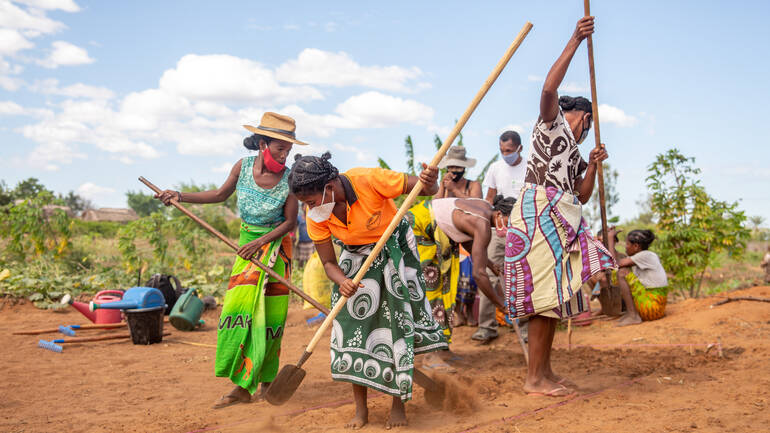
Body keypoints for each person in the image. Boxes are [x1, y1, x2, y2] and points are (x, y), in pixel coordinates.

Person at [155, 112, 303, 408]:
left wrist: (261, 242)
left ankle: (266, 382)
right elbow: (220, 194)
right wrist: (180, 196)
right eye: (279, 149)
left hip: (276, 250)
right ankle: (241, 386)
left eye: (288, 150)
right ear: (262, 143)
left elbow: (290, 222)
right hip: (246, 248)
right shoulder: (243, 166)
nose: (285, 155)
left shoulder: (291, 179)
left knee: (270, 319)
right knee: (238, 314)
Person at [289, 152, 447, 429]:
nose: (310, 209)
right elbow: (328, 262)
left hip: (393, 251)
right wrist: (341, 281)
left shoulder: (369, 179)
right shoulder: (315, 212)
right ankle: (360, 410)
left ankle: (398, 406)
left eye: (311, 202)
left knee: (396, 327)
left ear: (329, 187)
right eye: (305, 204)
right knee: (350, 331)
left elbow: (426, 188)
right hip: (353, 259)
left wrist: (430, 180)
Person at [503, 16, 616, 397]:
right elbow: (549, 87)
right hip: (538, 216)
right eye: (589, 124)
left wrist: (595, 166)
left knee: (552, 298)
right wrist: (574, 40)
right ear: (584, 117)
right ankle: (533, 378)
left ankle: (545, 372)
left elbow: (582, 195)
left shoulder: (576, 151)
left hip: (563, 217)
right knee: (540, 298)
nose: (586, 131)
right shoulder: (551, 126)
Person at [476, 130, 528, 342]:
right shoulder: (496, 168)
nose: (505, 154)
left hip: (523, 228)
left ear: (519, 149)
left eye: (509, 150)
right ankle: (486, 328)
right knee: (489, 275)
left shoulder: (530, 167)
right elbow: (489, 197)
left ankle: (525, 330)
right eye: (501, 150)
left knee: (521, 277)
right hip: (498, 227)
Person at [430, 195, 513, 315]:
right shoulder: (483, 225)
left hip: (428, 213)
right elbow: (479, 274)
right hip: (426, 223)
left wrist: (491, 265)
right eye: (508, 222)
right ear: (499, 214)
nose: (509, 228)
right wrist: (501, 306)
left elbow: (467, 242)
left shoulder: (485, 207)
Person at [607, 228, 669, 326]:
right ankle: (631, 313)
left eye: (627, 244)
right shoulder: (641, 256)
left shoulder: (645, 255)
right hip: (652, 307)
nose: (626, 247)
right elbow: (615, 260)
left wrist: (610, 238)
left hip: (651, 307)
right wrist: (612, 242)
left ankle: (633, 315)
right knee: (617, 273)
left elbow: (615, 263)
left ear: (636, 246)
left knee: (621, 273)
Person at [295, 203, 314, 269]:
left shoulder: (312, 217)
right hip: (302, 241)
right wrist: (293, 235)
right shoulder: (299, 218)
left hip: (310, 241)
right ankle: (299, 270)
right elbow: (294, 227)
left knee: (309, 259)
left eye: (307, 206)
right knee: (301, 259)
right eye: (304, 206)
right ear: (302, 207)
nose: (306, 207)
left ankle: (307, 271)